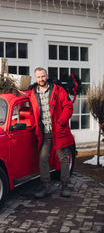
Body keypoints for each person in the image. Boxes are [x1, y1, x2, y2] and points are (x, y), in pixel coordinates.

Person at [28, 67, 74, 198]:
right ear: (35, 78)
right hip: (44, 133)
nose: (41, 79)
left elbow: (68, 106)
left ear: (46, 76)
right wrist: (34, 124)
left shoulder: (58, 90)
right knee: (43, 158)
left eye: (43, 76)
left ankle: (65, 186)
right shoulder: (32, 93)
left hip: (59, 130)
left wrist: (61, 122)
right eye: (38, 77)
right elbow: (31, 111)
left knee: (63, 159)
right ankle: (46, 187)